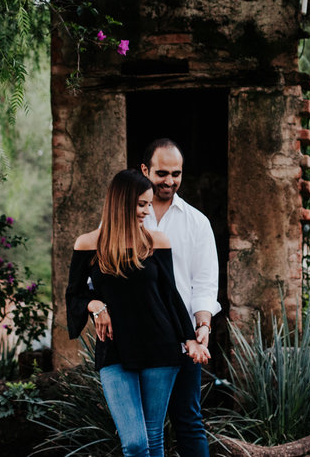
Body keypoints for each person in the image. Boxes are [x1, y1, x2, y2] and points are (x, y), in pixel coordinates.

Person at [66, 168, 211, 457]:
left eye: (148, 203)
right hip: (115, 350)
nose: (147, 210)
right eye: (141, 204)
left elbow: (170, 296)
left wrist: (190, 338)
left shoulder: (157, 242)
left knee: (153, 439)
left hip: (160, 347)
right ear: (120, 203)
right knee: (134, 443)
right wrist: (96, 306)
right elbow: (74, 295)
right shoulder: (88, 244)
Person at [141, 139, 220, 457]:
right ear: (145, 170)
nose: (170, 181)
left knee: (188, 420)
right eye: (162, 173)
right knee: (146, 428)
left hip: (183, 340)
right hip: (138, 339)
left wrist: (203, 327)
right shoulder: (123, 218)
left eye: (177, 174)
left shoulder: (197, 223)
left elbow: (204, 283)